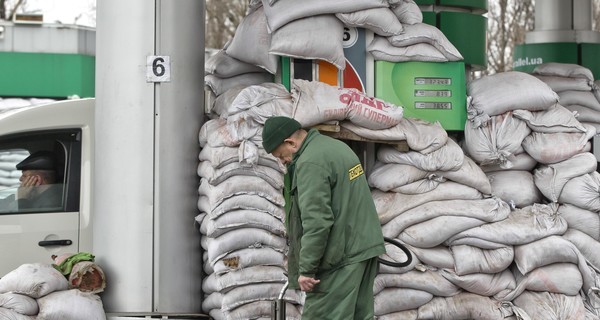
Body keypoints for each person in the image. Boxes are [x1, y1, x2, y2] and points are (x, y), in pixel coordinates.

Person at [262, 116, 386, 320]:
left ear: (290, 143)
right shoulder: (336, 147)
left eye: (280, 155)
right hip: (362, 250)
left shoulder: (310, 162)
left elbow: (317, 222)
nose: (283, 162)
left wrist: (307, 269)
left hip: (341, 258)